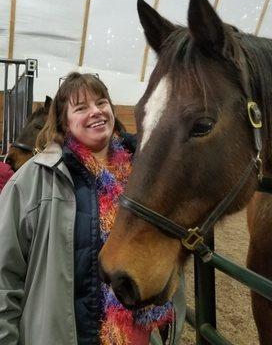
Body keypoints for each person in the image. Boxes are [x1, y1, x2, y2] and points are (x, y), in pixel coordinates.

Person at [0, 72, 185, 345]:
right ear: (64, 121)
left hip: (139, 335)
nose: (96, 112)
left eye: (101, 102)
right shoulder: (33, 181)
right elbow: (5, 273)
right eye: (81, 107)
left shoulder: (147, 176)